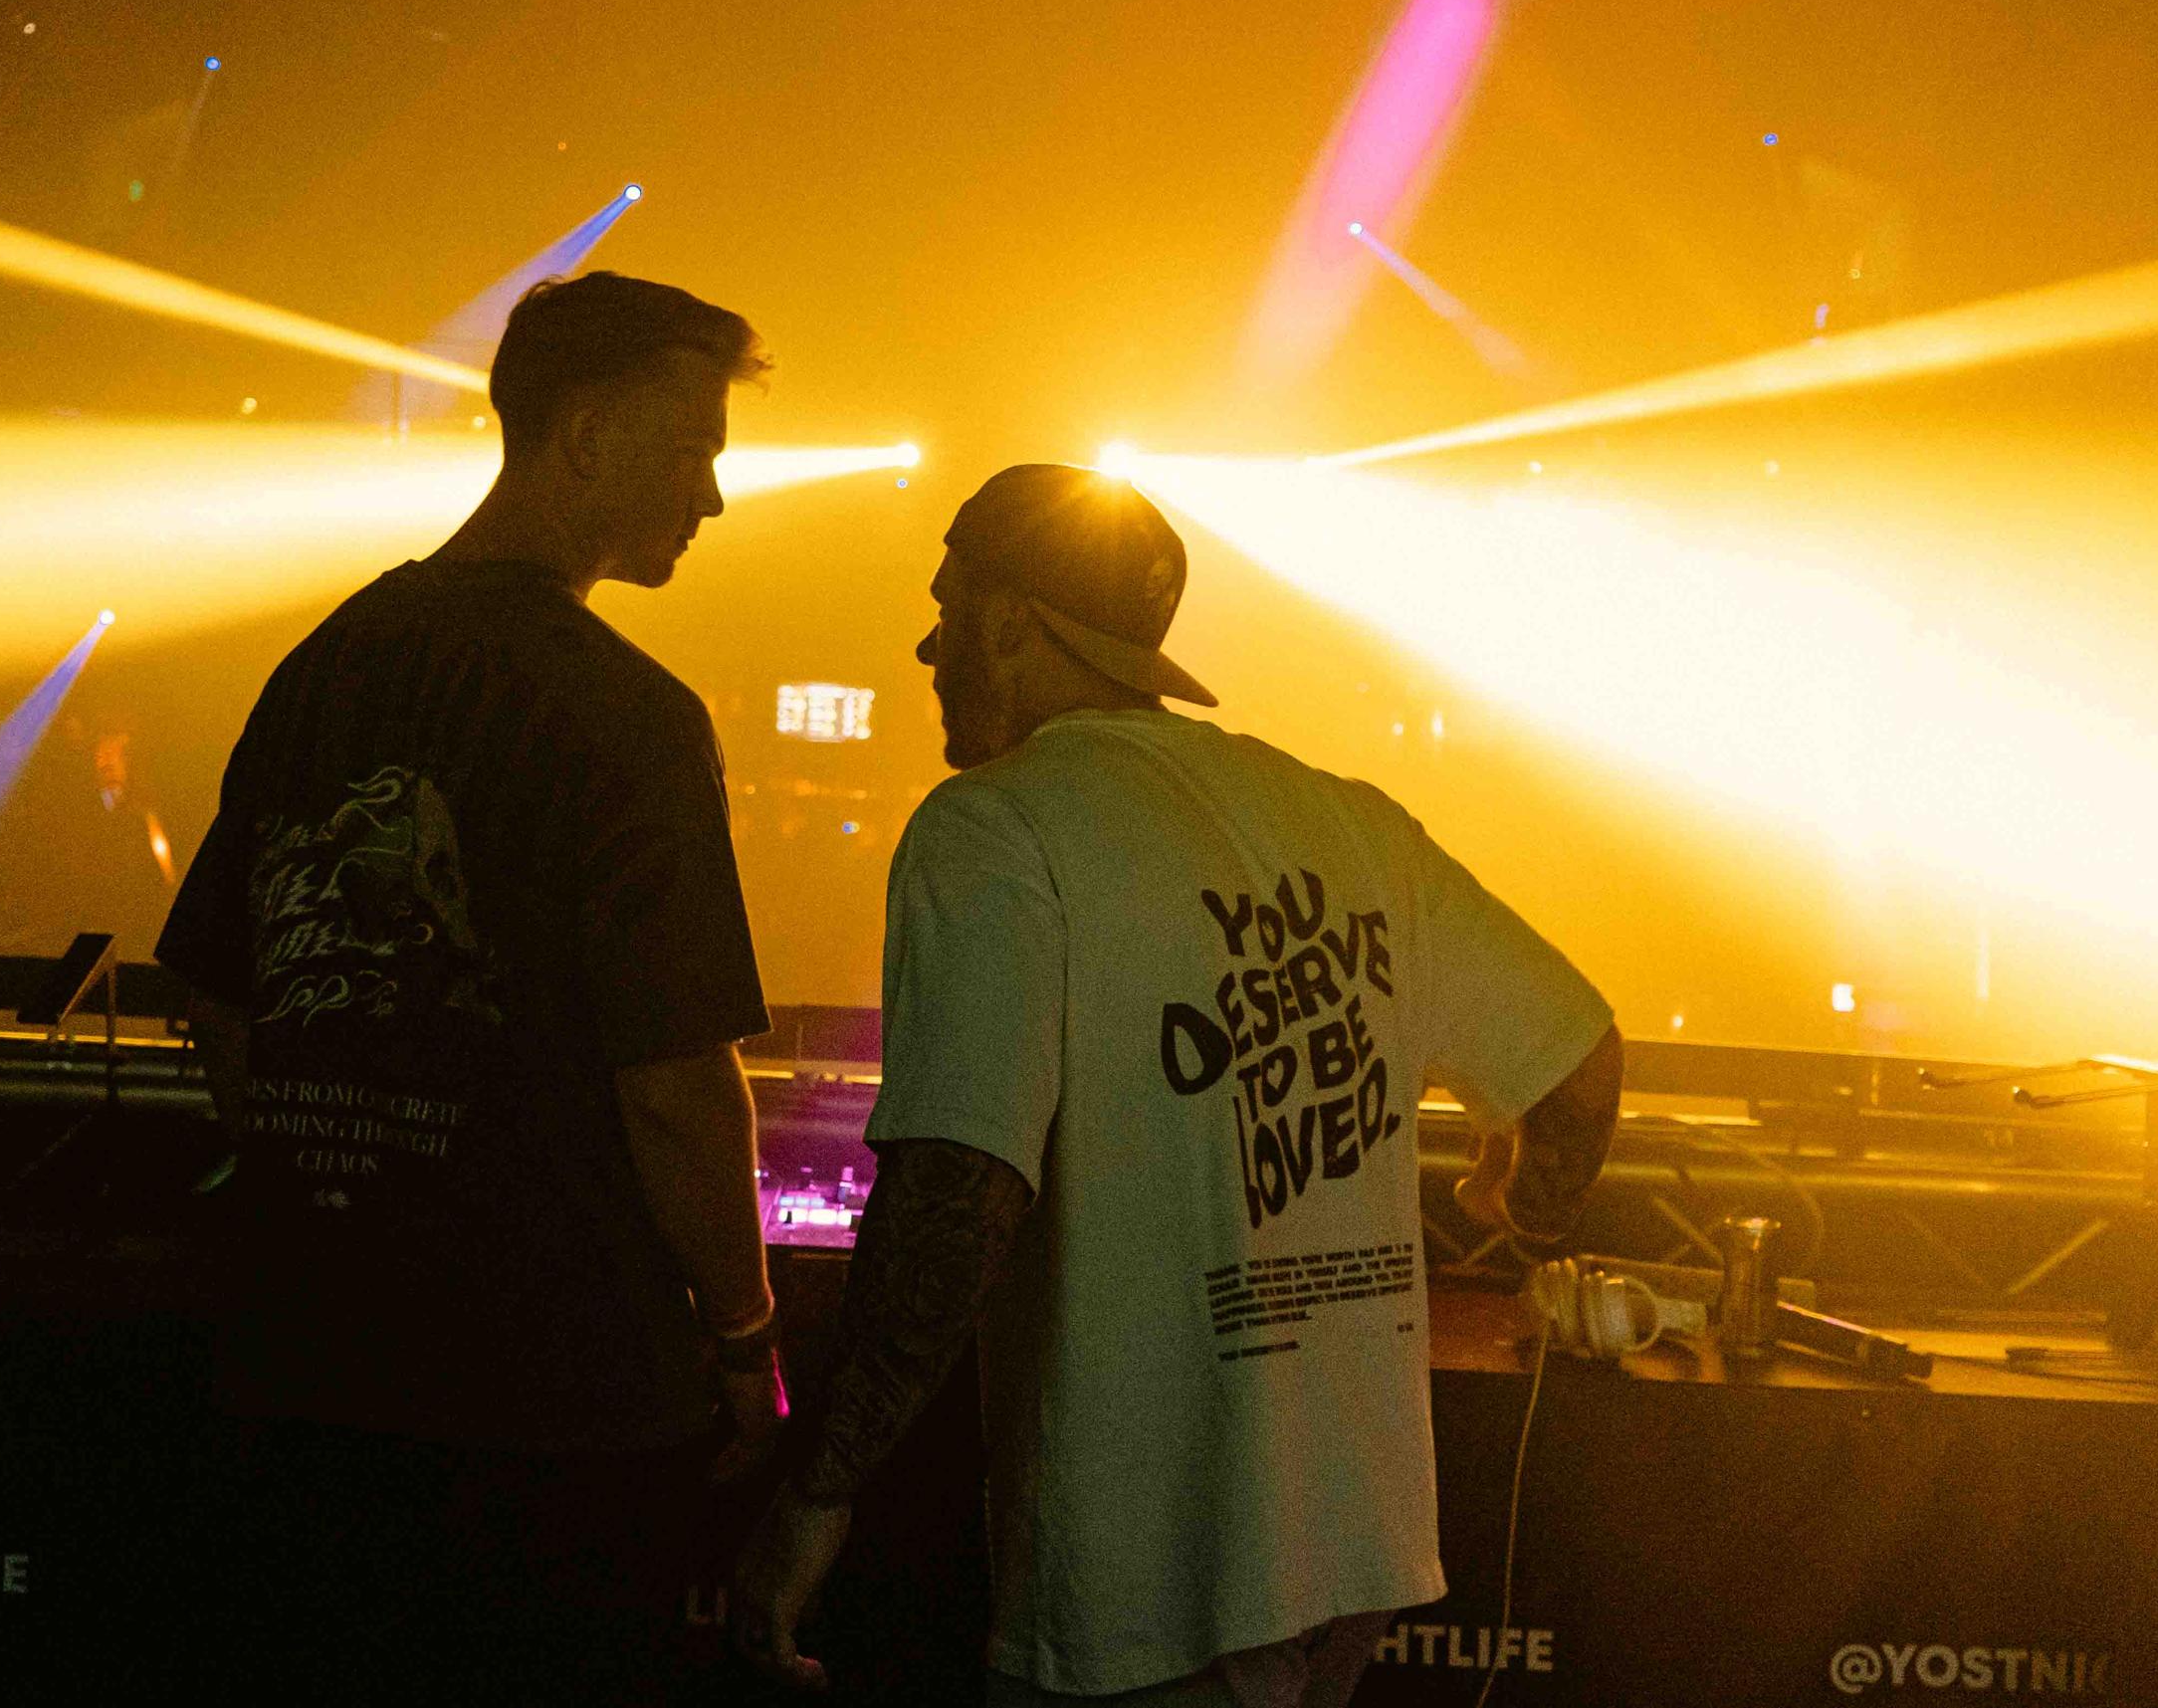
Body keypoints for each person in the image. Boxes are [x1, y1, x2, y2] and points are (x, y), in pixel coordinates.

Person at [733, 463, 1624, 1706]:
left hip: (1151, 1576)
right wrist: (1526, 1214)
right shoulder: (1353, 822)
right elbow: (1578, 1071)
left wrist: (818, 1491)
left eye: (945, 607)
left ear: (1006, 621)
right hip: (1348, 1552)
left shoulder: (995, 827)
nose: (928, 643)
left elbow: (956, 1193)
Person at [156, 271, 788, 1704]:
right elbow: (677, 1088)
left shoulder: (329, 662)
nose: (717, 493)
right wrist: (749, 1338)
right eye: (695, 447)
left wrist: (337, 1164)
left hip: (303, 1373)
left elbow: (219, 996)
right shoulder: (629, 715)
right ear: (587, 435)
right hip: (552, 1414)